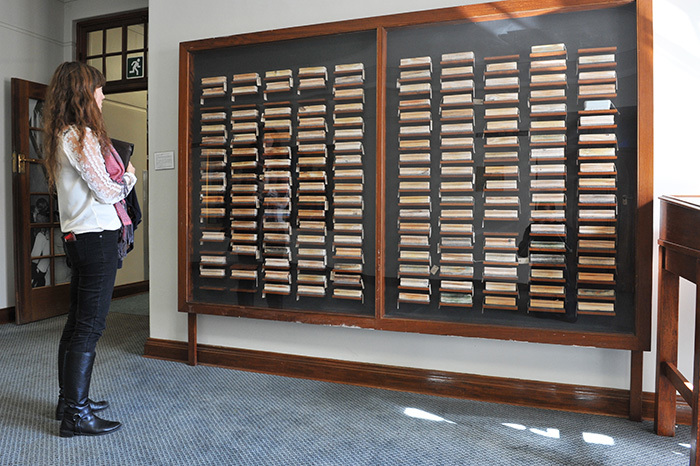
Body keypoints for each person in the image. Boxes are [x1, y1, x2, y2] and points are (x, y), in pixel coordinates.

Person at [43, 61, 137, 438]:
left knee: (77, 321)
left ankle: (70, 402)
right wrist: (129, 176)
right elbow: (106, 190)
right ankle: (76, 415)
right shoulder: (79, 136)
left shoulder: (63, 135)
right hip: (96, 238)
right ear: (84, 92)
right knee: (90, 326)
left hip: (81, 238)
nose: (103, 95)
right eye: (98, 88)